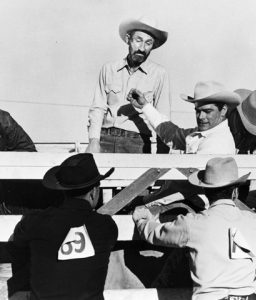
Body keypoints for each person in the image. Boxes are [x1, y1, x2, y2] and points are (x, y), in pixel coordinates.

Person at [133, 157, 256, 300]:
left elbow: (154, 233)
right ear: (235, 192)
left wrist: (142, 219)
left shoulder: (192, 223)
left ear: (206, 191)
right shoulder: (255, 222)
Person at [1, 153, 118, 300]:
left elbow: (16, 244)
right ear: (94, 192)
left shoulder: (35, 222)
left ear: (62, 191)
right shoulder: (107, 227)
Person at [127, 81, 241, 207]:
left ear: (223, 110)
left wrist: (150, 201)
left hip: (195, 206)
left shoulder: (218, 141)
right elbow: (172, 134)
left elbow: (191, 187)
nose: (201, 116)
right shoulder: (204, 133)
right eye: (197, 111)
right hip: (182, 200)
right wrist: (145, 106)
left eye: (207, 111)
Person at [86, 16, 171, 154]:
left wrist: (163, 156)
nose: (142, 48)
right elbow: (98, 107)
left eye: (148, 43)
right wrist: (94, 142)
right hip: (105, 138)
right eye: (138, 40)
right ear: (128, 39)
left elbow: (163, 116)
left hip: (137, 143)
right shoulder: (109, 69)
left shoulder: (159, 74)